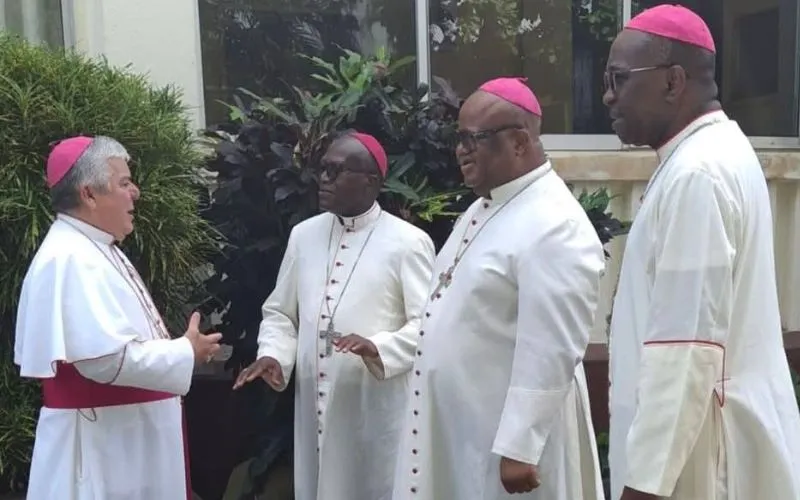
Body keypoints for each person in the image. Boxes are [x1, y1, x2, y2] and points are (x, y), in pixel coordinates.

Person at [604, 5, 800, 500]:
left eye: (619, 79)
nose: (608, 96)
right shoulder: (714, 153)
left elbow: (685, 349)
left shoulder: (697, 174)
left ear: (673, 81)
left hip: (699, 463)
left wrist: (642, 487)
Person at [391, 78, 606, 500]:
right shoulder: (483, 207)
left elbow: (552, 344)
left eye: (474, 139)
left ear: (520, 142)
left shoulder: (554, 222)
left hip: (504, 443)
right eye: (459, 138)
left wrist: (519, 447)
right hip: (464, 426)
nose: (460, 150)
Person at [14, 135, 222, 500]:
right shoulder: (71, 258)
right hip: (104, 450)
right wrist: (185, 351)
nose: (136, 192)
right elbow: (104, 359)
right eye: (124, 183)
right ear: (89, 194)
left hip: (123, 441)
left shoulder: (93, 246)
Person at [233, 131, 435, 500]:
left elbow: (428, 325)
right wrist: (274, 355)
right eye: (322, 169)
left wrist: (378, 346)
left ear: (371, 181)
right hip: (314, 404)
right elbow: (280, 311)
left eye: (336, 171)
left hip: (373, 406)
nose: (323, 179)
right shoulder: (303, 236)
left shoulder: (409, 243)